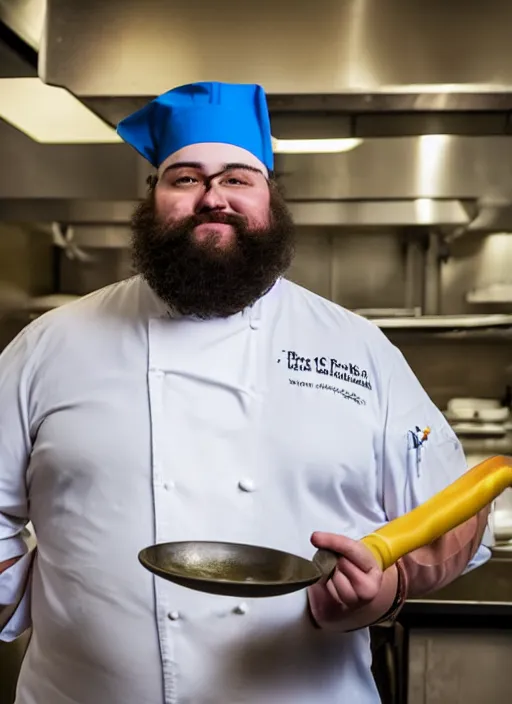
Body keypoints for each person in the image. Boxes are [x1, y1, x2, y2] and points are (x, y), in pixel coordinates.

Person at [0, 81, 492, 704]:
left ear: (269, 199)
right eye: (184, 178)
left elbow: (456, 513)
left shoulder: (359, 349)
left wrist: (387, 587)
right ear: (152, 197)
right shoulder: (51, 343)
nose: (213, 198)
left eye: (237, 178)